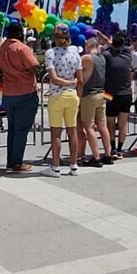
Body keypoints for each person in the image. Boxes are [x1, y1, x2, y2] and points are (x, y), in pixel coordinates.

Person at [0, 22, 39, 173]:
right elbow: (34, 66)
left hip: (8, 92)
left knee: (12, 128)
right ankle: (17, 163)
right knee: (21, 129)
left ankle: (11, 161)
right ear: (20, 33)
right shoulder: (23, 48)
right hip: (25, 92)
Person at [41, 24, 83, 177]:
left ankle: (56, 167)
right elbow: (81, 79)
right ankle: (74, 165)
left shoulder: (50, 53)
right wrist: (76, 89)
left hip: (57, 95)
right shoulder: (75, 52)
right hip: (72, 95)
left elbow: (53, 78)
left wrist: (66, 83)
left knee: (56, 133)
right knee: (72, 132)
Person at [78, 38, 114, 167]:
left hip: (89, 95)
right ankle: (108, 155)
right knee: (102, 126)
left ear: (88, 45)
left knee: (89, 127)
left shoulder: (86, 58)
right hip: (101, 94)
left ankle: (96, 157)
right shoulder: (102, 58)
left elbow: (81, 78)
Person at [102, 32, 133, 160]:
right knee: (123, 124)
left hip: (109, 93)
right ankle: (120, 149)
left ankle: (112, 148)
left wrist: (106, 41)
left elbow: (106, 48)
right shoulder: (127, 56)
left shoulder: (107, 56)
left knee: (110, 123)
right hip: (126, 93)